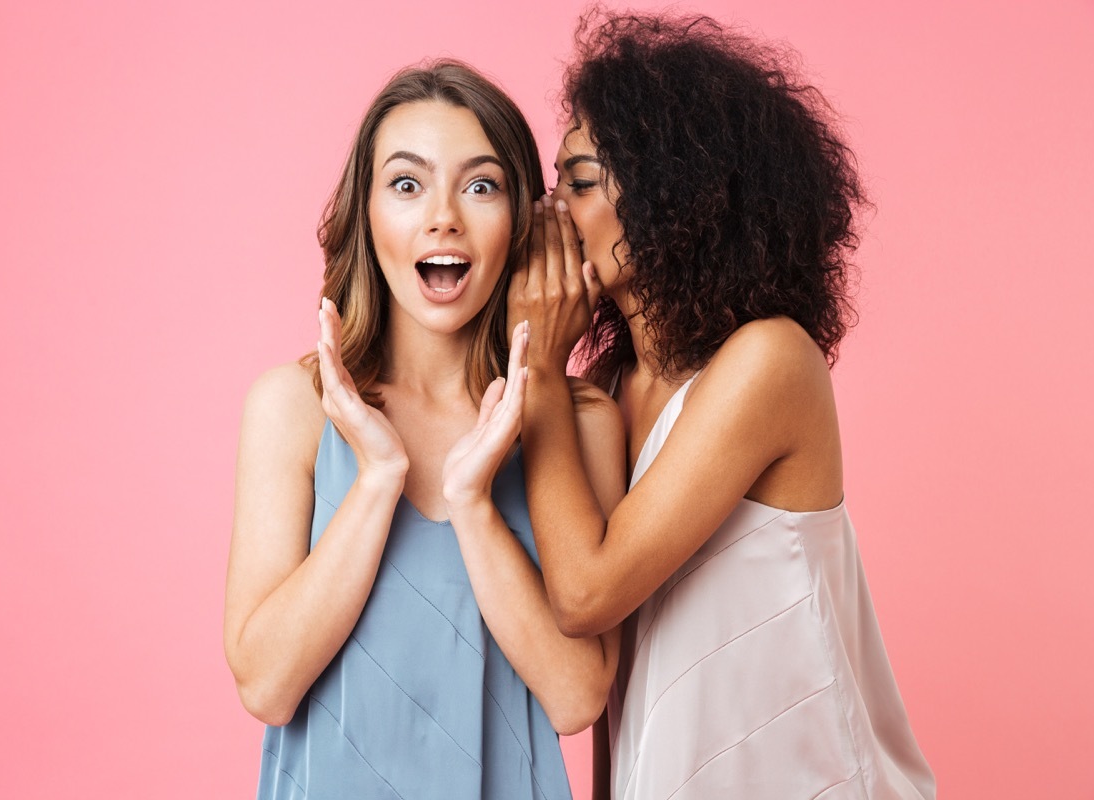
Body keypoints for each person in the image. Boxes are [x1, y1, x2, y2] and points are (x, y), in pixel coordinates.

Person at [511, 11, 936, 800]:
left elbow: (585, 593)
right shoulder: (605, 390)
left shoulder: (770, 363)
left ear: (675, 193)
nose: (552, 211)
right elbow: (614, 678)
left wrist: (535, 364)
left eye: (578, 180)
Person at [224, 61, 623, 799]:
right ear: (366, 214)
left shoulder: (578, 422)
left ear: (525, 222)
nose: (444, 217)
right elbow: (267, 686)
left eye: (481, 186)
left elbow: (576, 698)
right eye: (407, 185)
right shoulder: (292, 406)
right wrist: (378, 478)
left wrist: (473, 503)